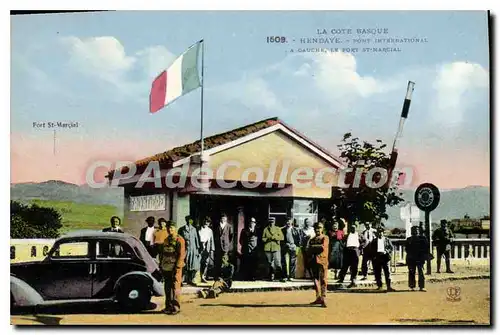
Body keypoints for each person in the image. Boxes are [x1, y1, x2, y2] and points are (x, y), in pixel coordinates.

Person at [158, 221, 186, 315]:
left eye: (172, 228)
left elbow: (181, 255)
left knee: (175, 287)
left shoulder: (179, 240)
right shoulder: (166, 239)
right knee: (167, 287)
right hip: (166, 267)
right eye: (168, 228)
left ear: (175, 228)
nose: (170, 230)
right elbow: (162, 254)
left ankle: (175, 307)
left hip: (175, 268)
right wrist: (161, 265)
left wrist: (177, 267)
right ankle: (168, 306)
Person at [306, 222, 329, 307]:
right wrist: (312, 247)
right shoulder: (312, 239)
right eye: (316, 228)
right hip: (313, 261)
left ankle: (323, 298)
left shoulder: (325, 238)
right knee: (315, 280)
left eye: (319, 228)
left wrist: (312, 247)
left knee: (323, 280)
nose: (317, 229)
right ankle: (318, 297)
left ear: (322, 229)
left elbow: (322, 247)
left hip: (322, 261)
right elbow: (307, 250)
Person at [337, 223, 365, 288]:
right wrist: (344, 246)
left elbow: (365, 241)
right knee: (345, 266)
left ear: (356, 228)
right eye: (351, 228)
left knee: (354, 266)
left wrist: (360, 248)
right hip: (347, 251)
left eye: (354, 228)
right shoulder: (347, 235)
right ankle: (341, 278)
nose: (353, 229)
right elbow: (341, 241)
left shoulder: (359, 235)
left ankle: (353, 279)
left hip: (355, 251)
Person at [178, 215, 201, 285]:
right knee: (185, 264)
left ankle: (191, 280)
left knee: (193, 265)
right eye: (188, 220)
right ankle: (182, 280)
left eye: (191, 220)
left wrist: (197, 250)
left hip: (193, 249)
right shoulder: (182, 229)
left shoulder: (194, 229)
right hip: (185, 249)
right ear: (186, 220)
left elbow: (196, 239)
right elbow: (179, 240)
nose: (189, 221)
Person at [369, 227, 395, 291]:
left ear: (383, 233)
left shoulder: (387, 240)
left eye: (381, 232)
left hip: (385, 257)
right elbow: (371, 249)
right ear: (377, 233)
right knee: (378, 272)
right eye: (379, 232)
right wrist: (374, 256)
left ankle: (389, 286)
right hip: (377, 257)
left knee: (387, 272)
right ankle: (379, 286)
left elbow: (391, 248)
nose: (380, 234)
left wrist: (387, 251)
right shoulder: (374, 241)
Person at [406, 225, 429, 292]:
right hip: (411, 258)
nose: (415, 231)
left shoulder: (423, 238)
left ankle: (422, 287)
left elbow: (426, 248)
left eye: (417, 230)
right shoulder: (409, 239)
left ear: (419, 231)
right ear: (411, 232)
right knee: (411, 272)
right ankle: (412, 286)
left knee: (421, 272)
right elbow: (407, 249)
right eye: (413, 230)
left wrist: (423, 256)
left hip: (420, 258)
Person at [262, 217, 284, 281]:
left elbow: (282, 237)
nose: (271, 223)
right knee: (269, 263)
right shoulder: (266, 229)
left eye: (273, 221)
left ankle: (280, 276)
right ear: (269, 222)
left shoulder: (277, 229)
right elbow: (263, 238)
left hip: (276, 247)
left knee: (278, 262)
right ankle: (271, 276)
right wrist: (268, 239)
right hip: (268, 248)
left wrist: (275, 237)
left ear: (274, 222)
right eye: (270, 221)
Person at [213, 213, 234, 279]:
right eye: (222, 218)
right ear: (220, 219)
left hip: (225, 247)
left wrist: (227, 244)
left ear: (226, 219)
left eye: (224, 218)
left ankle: (224, 276)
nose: (223, 219)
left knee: (224, 260)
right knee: (218, 261)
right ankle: (218, 276)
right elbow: (215, 235)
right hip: (218, 246)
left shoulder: (229, 226)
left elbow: (231, 236)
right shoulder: (217, 226)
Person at [281, 217, 301, 281]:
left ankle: (291, 276)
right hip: (285, 247)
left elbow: (298, 239)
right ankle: (285, 276)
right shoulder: (282, 230)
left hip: (293, 247)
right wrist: (284, 243)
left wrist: (296, 246)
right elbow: (280, 239)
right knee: (284, 261)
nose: (288, 223)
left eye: (289, 221)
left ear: (292, 222)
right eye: (287, 221)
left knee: (292, 262)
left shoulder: (295, 230)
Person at [198, 217, 215, 282]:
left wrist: (212, 250)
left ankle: (203, 276)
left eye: (207, 222)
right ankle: (197, 277)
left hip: (207, 248)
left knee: (205, 263)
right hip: (199, 248)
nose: (206, 223)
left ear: (209, 223)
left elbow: (211, 240)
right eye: (205, 221)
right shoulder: (198, 229)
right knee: (199, 262)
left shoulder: (210, 231)